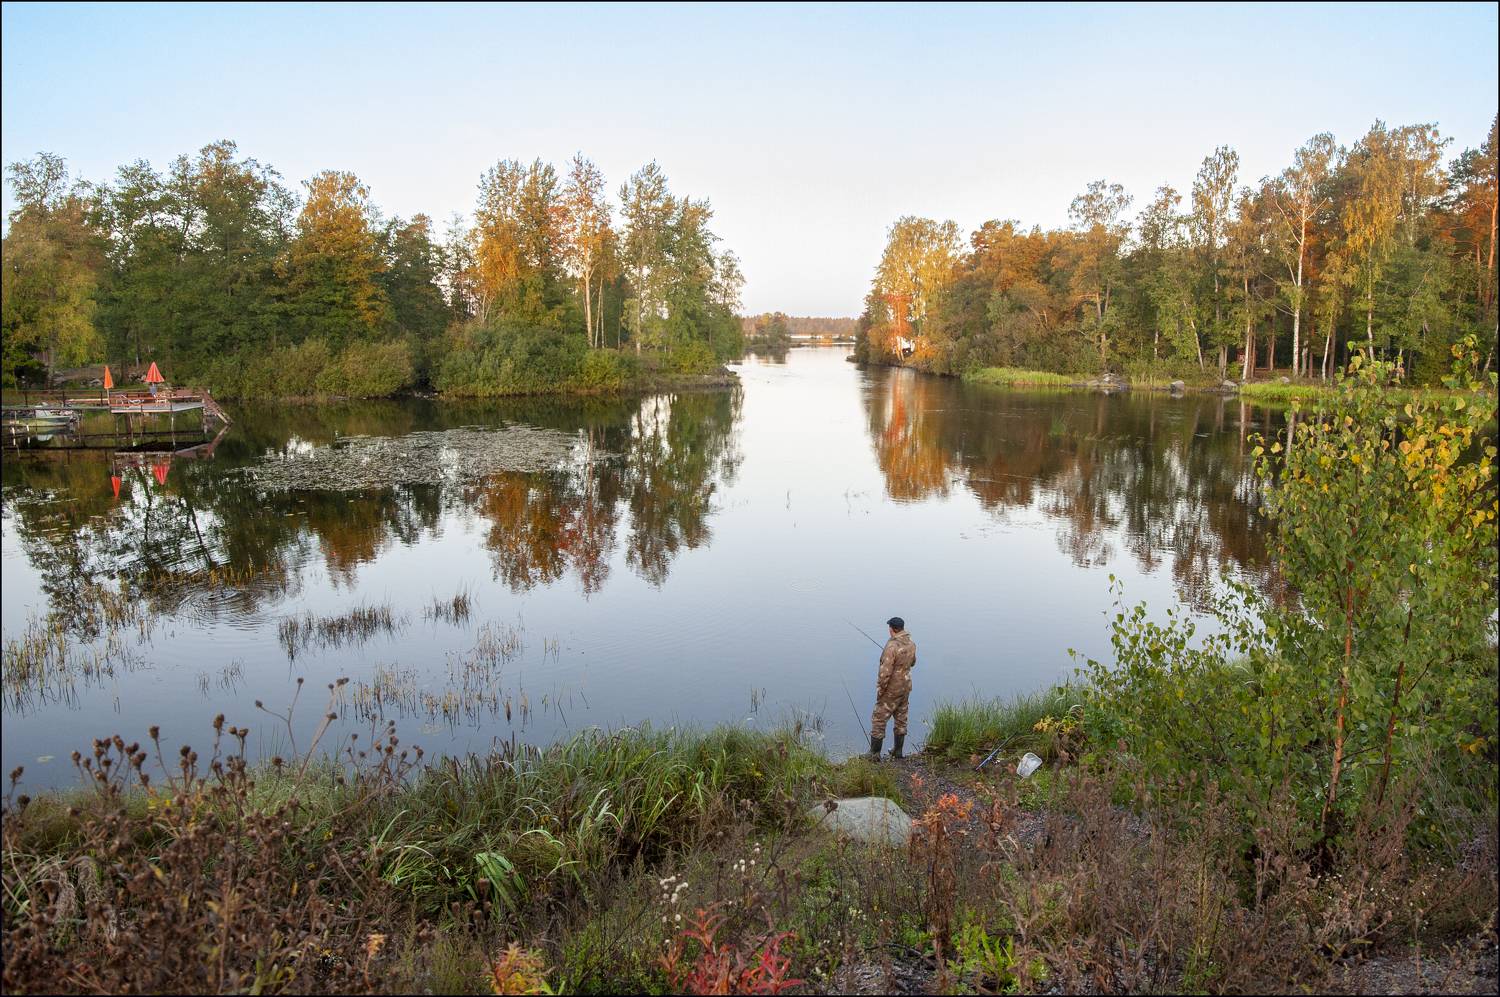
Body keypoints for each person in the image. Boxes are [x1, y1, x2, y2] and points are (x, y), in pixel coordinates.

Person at [869, 616, 916, 760]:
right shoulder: (911, 644)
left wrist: (881, 689)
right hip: (906, 687)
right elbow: (913, 662)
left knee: (879, 718)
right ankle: (898, 751)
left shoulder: (891, 646)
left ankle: (874, 754)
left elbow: (885, 673)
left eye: (889, 627)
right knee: (901, 717)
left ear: (892, 629)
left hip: (892, 689)